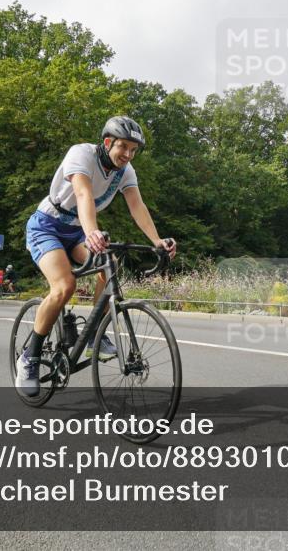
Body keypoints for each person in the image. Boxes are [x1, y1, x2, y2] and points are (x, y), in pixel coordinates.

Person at [15, 116, 177, 396]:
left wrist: (157, 241)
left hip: (77, 229)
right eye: (123, 147)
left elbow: (137, 205)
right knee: (65, 286)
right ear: (106, 142)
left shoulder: (125, 171)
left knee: (109, 264)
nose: (127, 154)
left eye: (133, 150)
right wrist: (92, 232)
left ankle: (93, 334)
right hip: (47, 226)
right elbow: (82, 194)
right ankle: (29, 357)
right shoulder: (81, 154)